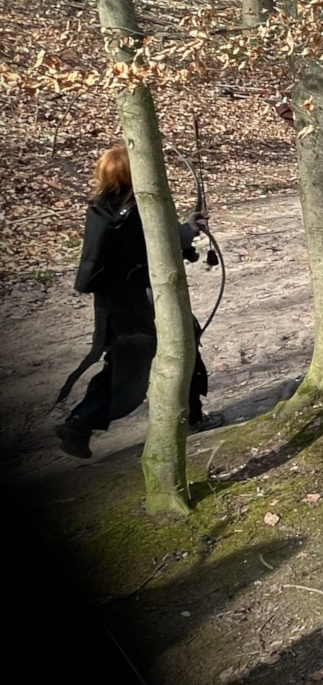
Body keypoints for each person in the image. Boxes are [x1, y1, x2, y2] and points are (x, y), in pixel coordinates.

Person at [54, 147, 213, 459]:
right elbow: (155, 245)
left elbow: (147, 243)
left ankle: (80, 423)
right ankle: (81, 423)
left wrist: (185, 231)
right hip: (137, 302)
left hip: (115, 302)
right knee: (168, 350)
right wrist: (188, 231)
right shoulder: (132, 210)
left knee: (128, 362)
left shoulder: (106, 204)